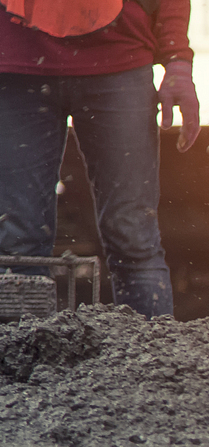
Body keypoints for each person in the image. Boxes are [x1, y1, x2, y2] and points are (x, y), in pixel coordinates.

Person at [0, 0, 198, 318]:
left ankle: (150, 361)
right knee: (19, 243)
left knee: (132, 237)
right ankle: (25, 365)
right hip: (19, 65)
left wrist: (177, 61)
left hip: (115, 59)